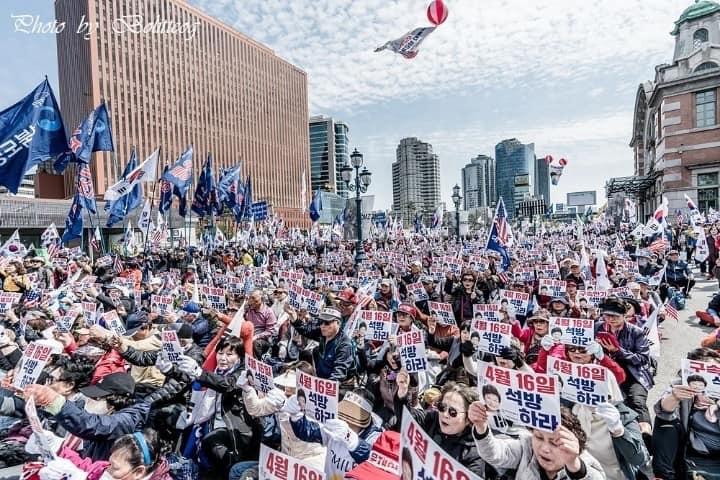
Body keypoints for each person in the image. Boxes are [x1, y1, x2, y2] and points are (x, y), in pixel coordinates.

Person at [468, 403, 605, 480]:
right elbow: (494, 453)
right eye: (539, 437)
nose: (544, 448)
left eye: (554, 442)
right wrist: (481, 426)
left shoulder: (584, 464)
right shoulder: (526, 447)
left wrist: (574, 466)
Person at [652, 347, 720, 479]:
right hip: (689, 447)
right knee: (665, 423)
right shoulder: (682, 384)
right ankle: (664, 475)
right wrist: (674, 397)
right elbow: (663, 411)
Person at [287, 388, 382, 479]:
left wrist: (353, 442)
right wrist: (296, 416)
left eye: (352, 416)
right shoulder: (336, 426)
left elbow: (376, 466)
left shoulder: (376, 437)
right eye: (344, 413)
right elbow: (308, 432)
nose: (345, 420)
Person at [396, 381, 486, 477]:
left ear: (468, 419)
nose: (445, 415)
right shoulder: (431, 419)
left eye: (452, 412)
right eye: (442, 407)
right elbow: (406, 415)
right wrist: (402, 395)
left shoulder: (474, 454)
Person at [38, 428, 172, 480]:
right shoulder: (109, 469)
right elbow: (88, 467)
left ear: (138, 472)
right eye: (110, 463)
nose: (108, 469)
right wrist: (56, 445)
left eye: (115, 467)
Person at [286, 305, 357, 394]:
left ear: (338, 323)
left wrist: (320, 390)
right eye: (321, 322)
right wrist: (293, 315)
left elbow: (338, 375)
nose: (322, 326)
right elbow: (305, 330)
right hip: (321, 379)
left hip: (340, 386)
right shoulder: (322, 332)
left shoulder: (344, 345)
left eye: (327, 323)